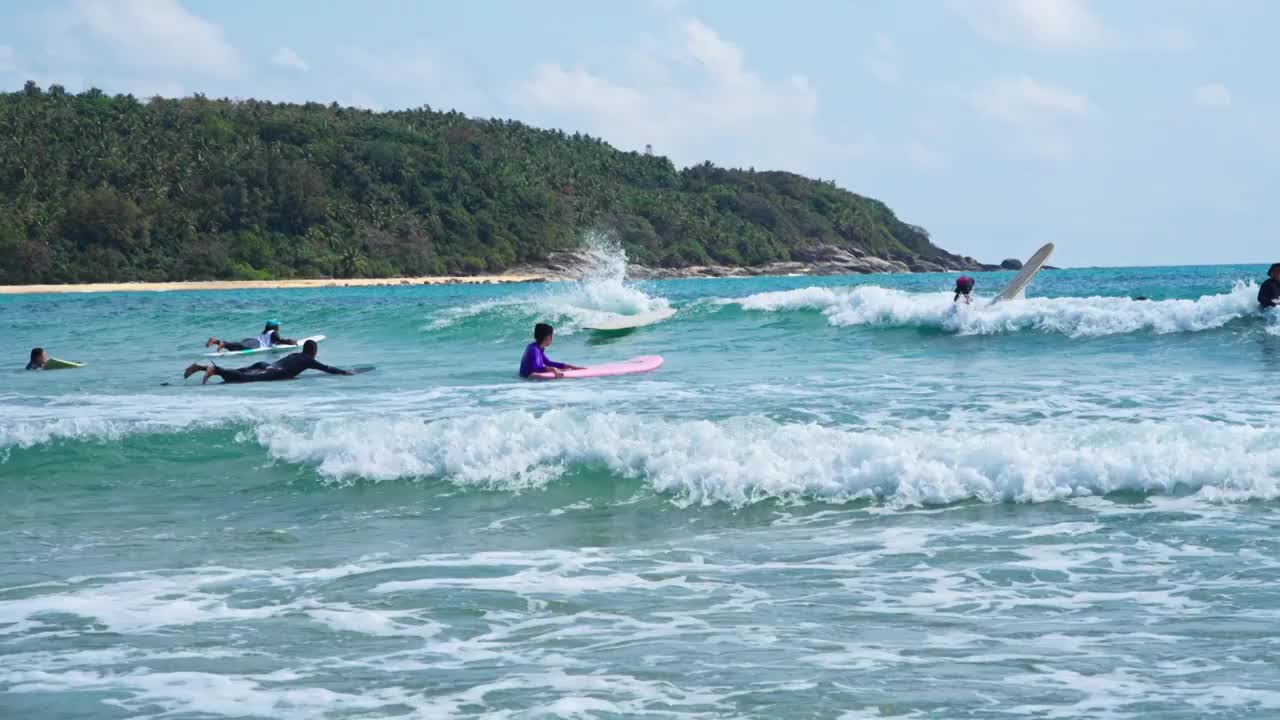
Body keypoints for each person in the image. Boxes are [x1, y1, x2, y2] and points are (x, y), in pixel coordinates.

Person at [183, 339, 352, 384]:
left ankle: (203, 367)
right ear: (313, 352)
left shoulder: (296, 355)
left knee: (240, 372)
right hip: (271, 371)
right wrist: (345, 372)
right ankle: (215, 370)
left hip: (264, 365)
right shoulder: (308, 359)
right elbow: (327, 368)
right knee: (243, 379)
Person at [519, 323, 583, 378]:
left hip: (526, 377)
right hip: (528, 378)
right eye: (551, 336)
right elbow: (536, 368)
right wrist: (554, 369)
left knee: (564, 370)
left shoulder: (536, 347)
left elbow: (548, 363)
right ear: (548, 337)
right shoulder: (534, 350)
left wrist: (568, 366)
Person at [206, 319, 297, 353]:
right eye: (278, 325)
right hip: (256, 343)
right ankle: (223, 343)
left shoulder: (266, 331)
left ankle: (216, 341)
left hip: (252, 339)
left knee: (236, 347)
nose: (279, 326)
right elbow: (278, 341)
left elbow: (276, 341)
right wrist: (291, 342)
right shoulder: (274, 332)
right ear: (275, 327)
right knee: (240, 346)